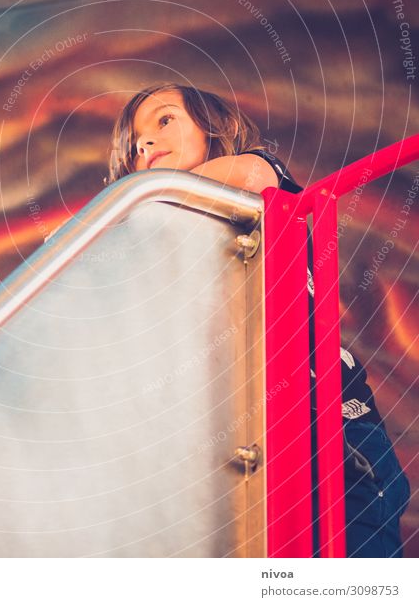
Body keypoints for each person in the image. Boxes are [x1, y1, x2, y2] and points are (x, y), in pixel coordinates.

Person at [106, 81, 411, 557]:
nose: (144, 143)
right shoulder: (166, 240)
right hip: (243, 438)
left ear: (212, 129)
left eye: (164, 121)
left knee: (355, 551)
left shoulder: (252, 179)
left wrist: (142, 196)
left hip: (331, 425)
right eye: (134, 142)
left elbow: (254, 175)